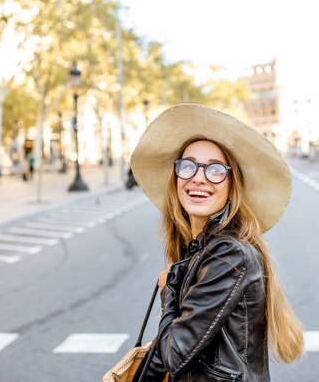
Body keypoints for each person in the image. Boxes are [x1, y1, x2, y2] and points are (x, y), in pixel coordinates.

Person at [130, 104, 304, 381]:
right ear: (175, 178)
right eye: (188, 166)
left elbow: (175, 354)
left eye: (215, 170)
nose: (198, 177)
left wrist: (168, 288)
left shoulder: (228, 254)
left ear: (232, 185)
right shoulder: (202, 247)